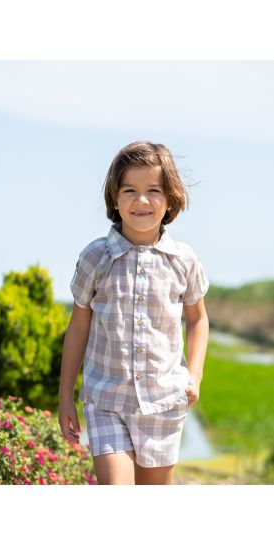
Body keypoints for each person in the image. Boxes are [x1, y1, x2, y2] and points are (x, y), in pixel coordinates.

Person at [58, 141, 209, 485]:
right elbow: (79, 326)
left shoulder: (183, 260)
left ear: (170, 198)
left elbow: (198, 319)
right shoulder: (97, 258)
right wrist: (65, 395)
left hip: (164, 402)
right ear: (115, 198)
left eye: (153, 190)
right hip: (106, 400)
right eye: (130, 190)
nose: (141, 200)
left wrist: (195, 376)